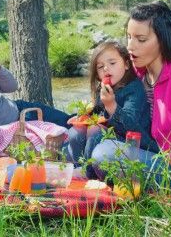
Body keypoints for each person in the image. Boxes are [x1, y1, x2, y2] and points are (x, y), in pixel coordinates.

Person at [94, 0, 171, 186]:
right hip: (153, 151)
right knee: (97, 137)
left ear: (163, 40)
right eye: (129, 37)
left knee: (104, 154)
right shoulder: (139, 71)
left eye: (141, 39)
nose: (131, 47)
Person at [66, 41, 159, 178]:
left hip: (136, 142)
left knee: (94, 130)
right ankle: (77, 165)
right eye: (100, 66)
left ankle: (88, 172)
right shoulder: (104, 88)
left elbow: (131, 124)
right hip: (111, 135)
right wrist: (82, 116)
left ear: (126, 64)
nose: (106, 69)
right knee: (76, 131)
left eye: (112, 63)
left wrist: (111, 106)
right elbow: (98, 111)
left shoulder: (134, 89)